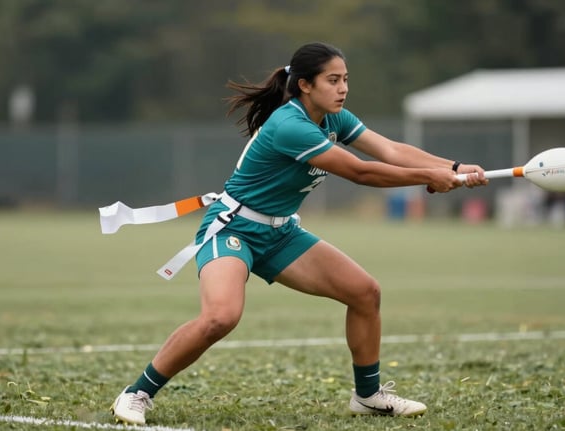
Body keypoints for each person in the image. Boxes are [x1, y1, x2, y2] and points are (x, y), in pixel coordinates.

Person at [110, 41, 488, 425]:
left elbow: (389, 150)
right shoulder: (290, 126)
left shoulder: (334, 117)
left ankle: (369, 396)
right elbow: (360, 171)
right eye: (333, 80)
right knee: (220, 317)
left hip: (281, 233)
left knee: (364, 292)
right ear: (305, 85)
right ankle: (136, 393)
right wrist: (430, 176)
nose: (343, 89)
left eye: (345, 80)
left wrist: (453, 167)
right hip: (234, 228)